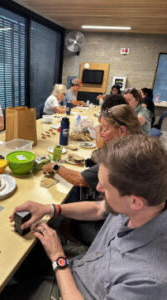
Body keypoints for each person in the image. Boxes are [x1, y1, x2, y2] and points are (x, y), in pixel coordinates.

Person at [9, 135, 167, 299]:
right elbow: (98, 209)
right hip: (84, 265)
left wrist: (58, 258)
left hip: (73, 290)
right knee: (30, 254)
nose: (98, 188)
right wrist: (50, 209)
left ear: (135, 202)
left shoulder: (148, 281)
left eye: (105, 188)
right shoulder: (142, 204)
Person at [42, 104, 141, 245]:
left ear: (122, 131)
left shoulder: (120, 159)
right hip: (112, 213)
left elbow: (82, 182)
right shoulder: (138, 145)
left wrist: (56, 167)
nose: (100, 134)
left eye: (105, 129)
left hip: (114, 231)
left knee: (66, 217)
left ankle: (69, 235)